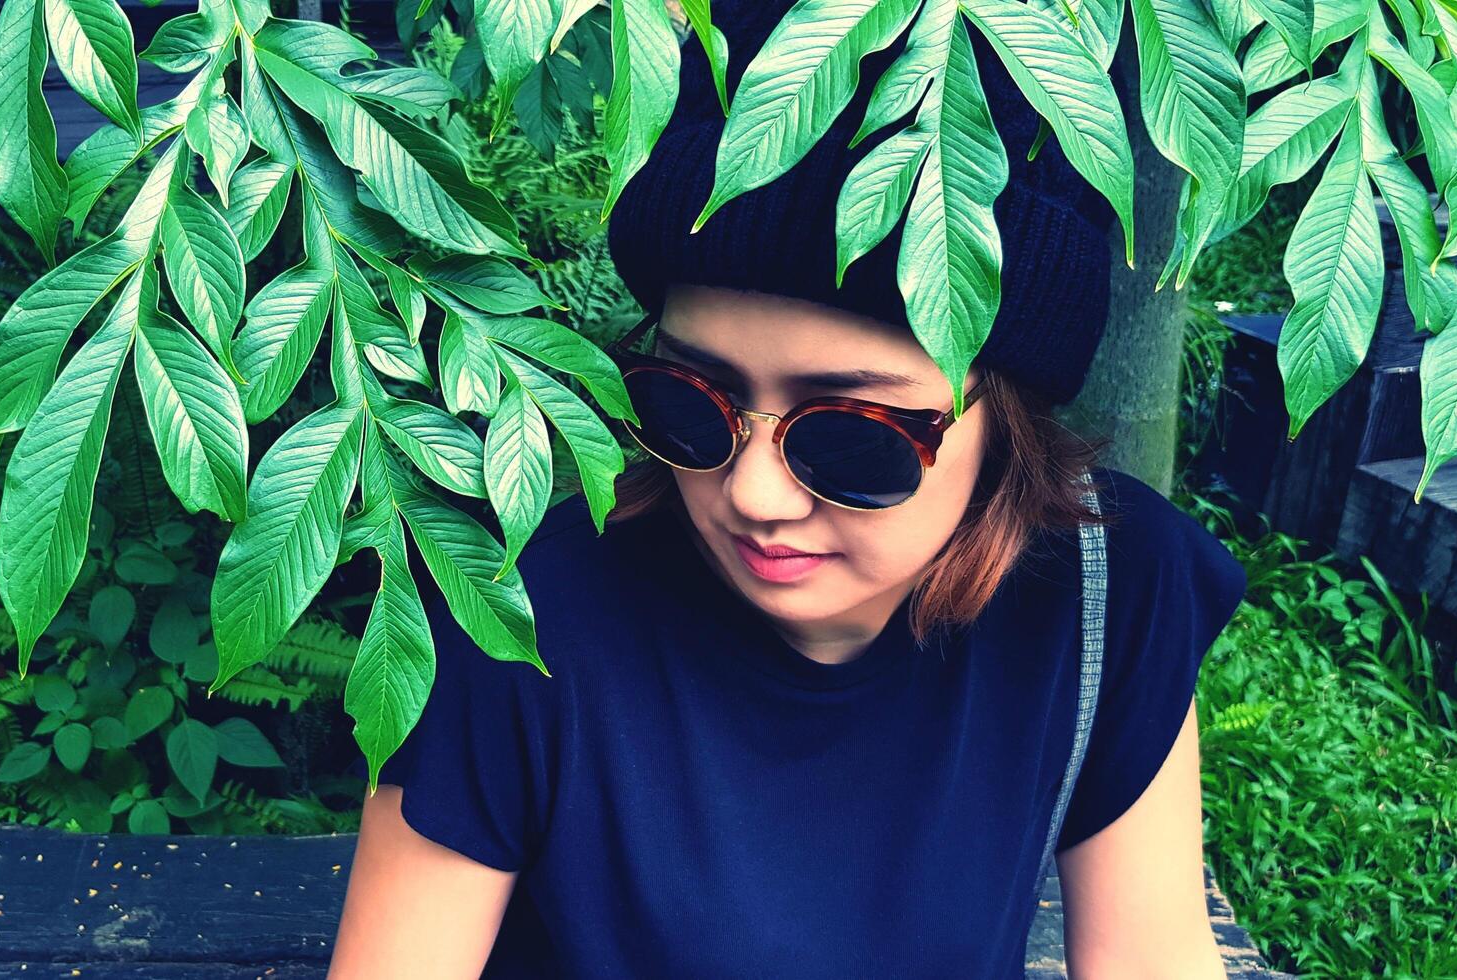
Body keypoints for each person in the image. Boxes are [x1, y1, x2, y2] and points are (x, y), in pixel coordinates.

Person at [330, 3, 1249, 977]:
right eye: (690, 401)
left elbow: (1153, 952)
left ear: (1007, 421)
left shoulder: (1106, 588)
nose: (755, 493)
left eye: (856, 437)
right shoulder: (519, 617)